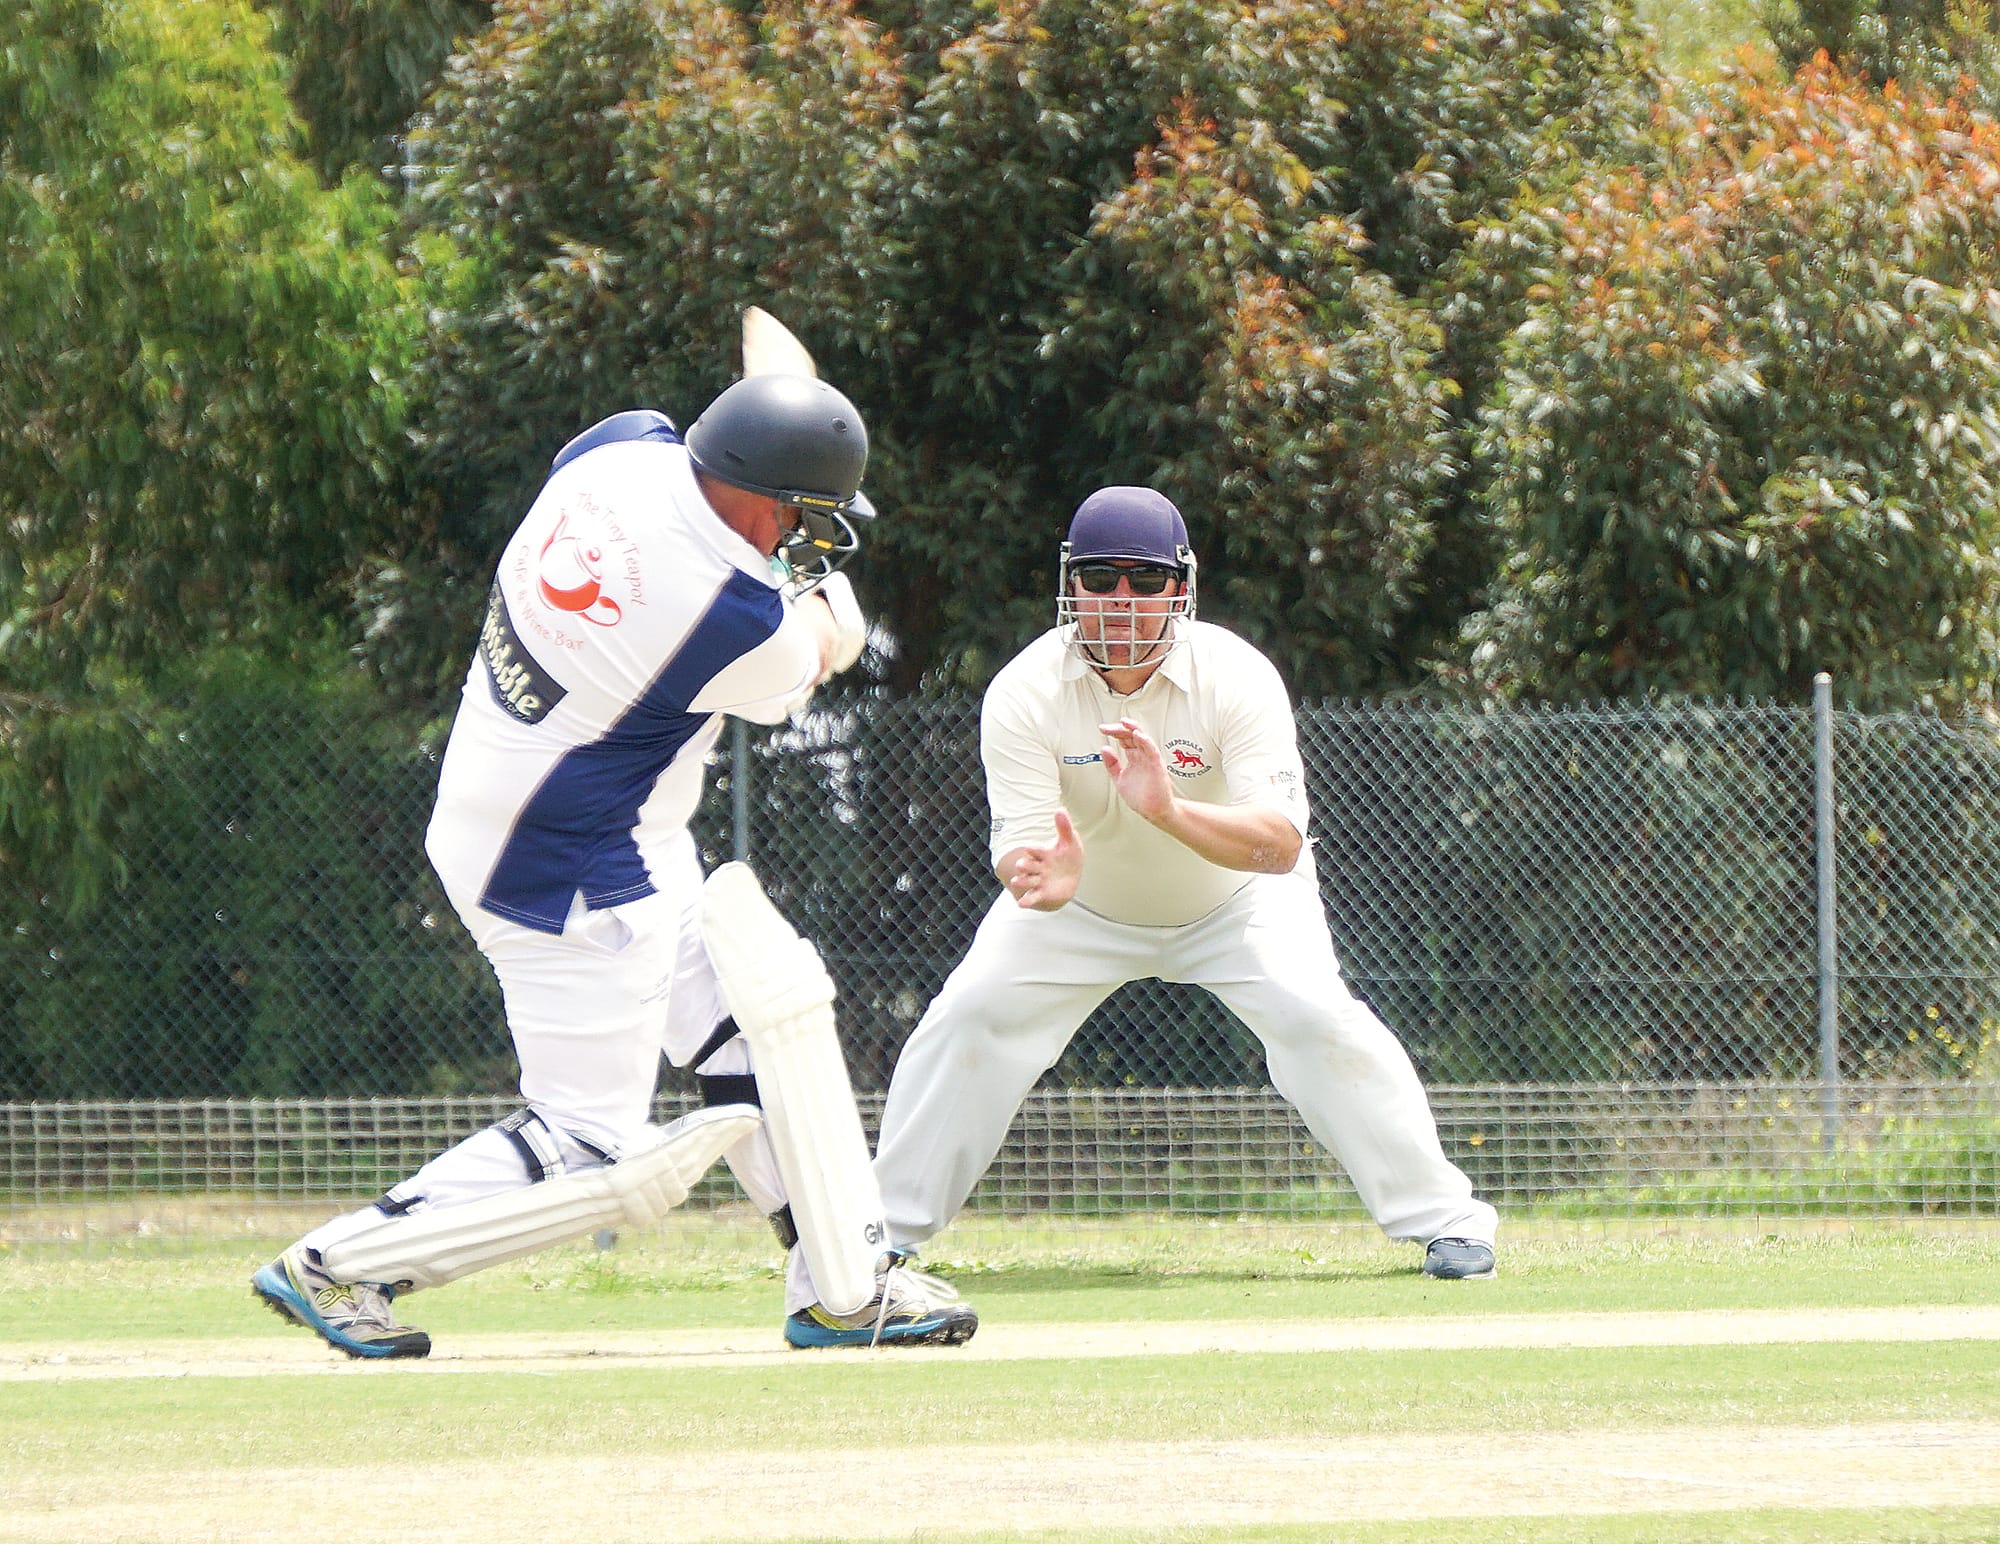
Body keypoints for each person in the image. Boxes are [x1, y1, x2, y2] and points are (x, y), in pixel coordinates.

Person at [253, 373, 976, 1357]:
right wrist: (835, 613)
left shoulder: (621, 452)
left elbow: (654, 495)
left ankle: (844, 1286)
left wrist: (794, 583)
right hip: (565, 857)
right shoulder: (732, 617)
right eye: (803, 517)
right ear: (767, 500)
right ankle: (339, 1262)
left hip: (542, 809)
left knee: (756, 1026)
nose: (805, 535)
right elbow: (808, 645)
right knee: (589, 1139)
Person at [873, 486, 1499, 1280]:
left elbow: (1276, 847)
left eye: (1144, 578)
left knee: (1316, 1017)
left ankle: (1448, 1222)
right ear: (1072, 585)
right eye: (1101, 580)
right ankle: (882, 1240)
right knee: (970, 1015)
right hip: (1082, 910)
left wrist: (1166, 811)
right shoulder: (1025, 691)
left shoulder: (1235, 676)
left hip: (1236, 902)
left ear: (1181, 585)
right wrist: (1043, 882)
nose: (1122, 600)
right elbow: (1022, 848)